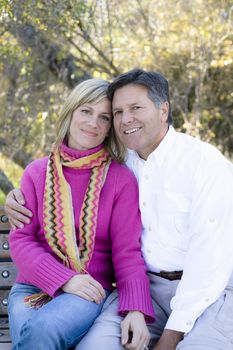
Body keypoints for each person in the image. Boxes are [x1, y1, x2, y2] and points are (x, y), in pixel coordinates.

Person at [5, 69, 233, 350]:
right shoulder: (118, 159)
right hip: (53, 286)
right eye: (116, 112)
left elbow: (134, 252)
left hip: (196, 290)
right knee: (60, 337)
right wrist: (15, 197)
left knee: (42, 329)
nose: (123, 120)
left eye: (105, 116)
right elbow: (24, 233)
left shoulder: (190, 165)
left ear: (164, 111)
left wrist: (158, 328)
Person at [5, 77, 154, 350]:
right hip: (31, 288)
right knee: (36, 331)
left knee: (42, 329)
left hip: (88, 290)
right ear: (71, 112)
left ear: (111, 127)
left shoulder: (120, 179)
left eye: (104, 117)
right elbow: (21, 240)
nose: (93, 123)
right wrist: (64, 279)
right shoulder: (37, 173)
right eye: (86, 111)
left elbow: (127, 252)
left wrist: (136, 309)